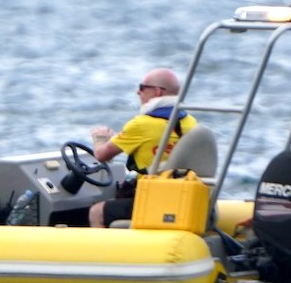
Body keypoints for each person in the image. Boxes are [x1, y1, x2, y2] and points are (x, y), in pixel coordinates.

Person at [71, 67, 198, 227]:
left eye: (142, 88)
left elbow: (102, 155)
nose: (138, 93)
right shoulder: (190, 122)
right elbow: (152, 141)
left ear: (158, 92)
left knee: (96, 211)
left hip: (154, 201)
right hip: (181, 197)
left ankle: (107, 252)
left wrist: (100, 138)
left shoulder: (141, 124)